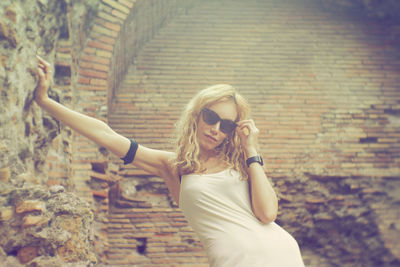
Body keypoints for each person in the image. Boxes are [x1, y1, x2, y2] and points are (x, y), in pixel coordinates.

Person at [35, 56, 305, 266]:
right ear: (197, 115)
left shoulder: (243, 164)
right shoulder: (174, 166)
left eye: (226, 125)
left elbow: (268, 214)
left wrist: (251, 150)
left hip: (279, 255)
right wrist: (45, 101)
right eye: (211, 118)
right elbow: (107, 135)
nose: (216, 129)